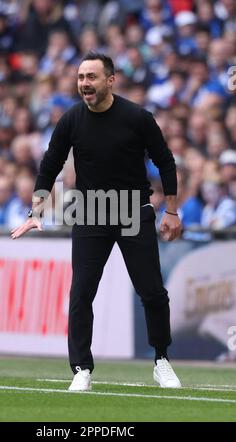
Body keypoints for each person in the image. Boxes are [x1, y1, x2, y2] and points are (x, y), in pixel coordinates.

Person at [11, 52, 182, 391]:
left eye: (91, 76)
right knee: (81, 293)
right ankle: (81, 369)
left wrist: (172, 211)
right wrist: (35, 211)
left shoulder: (138, 117)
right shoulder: (71, 119)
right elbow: (50, 165)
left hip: (133, 210)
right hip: (89, 212)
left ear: (110, 80)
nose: (84, 83)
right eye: (80, 77)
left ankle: (161, 359)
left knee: (152, 291)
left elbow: (165, 161)